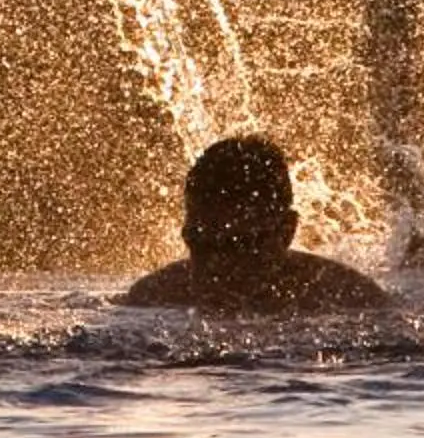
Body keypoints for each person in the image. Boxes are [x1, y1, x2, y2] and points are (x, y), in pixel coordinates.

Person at [119, 135, 390, 314]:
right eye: (200, 244)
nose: (216, 266)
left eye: (237, 245)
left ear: (286, 231)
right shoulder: (155, 297)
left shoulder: (348, 299)